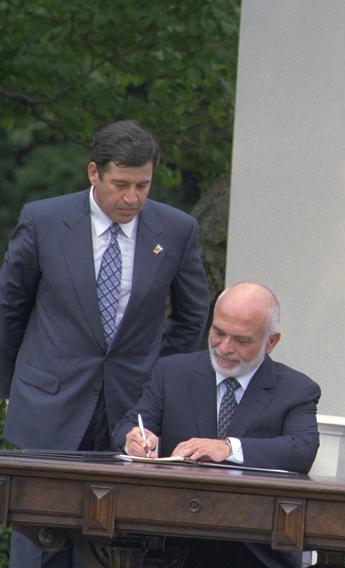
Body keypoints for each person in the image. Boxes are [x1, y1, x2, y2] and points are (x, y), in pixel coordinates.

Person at [0, 120, 210, 567]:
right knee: (39, 544)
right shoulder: (44, 220)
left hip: (131, 411)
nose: (132, 198)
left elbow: (192, 314)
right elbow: (9, 308)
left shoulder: (176, 229)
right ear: (94, 173)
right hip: (49, 404)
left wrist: (159, 385)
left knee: (115, 542)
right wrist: (8, 389)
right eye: (121, 184)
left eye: (143, 185)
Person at [114, 281, 321, 567]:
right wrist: (134, 438)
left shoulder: (296, 389)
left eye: (241, 340)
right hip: (172, 542)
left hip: (255, 546)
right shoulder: (172, 372)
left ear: (271, 342)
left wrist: (229, 448)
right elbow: (128, 425)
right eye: (218, 333)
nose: (224, 347)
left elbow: (302, 449)